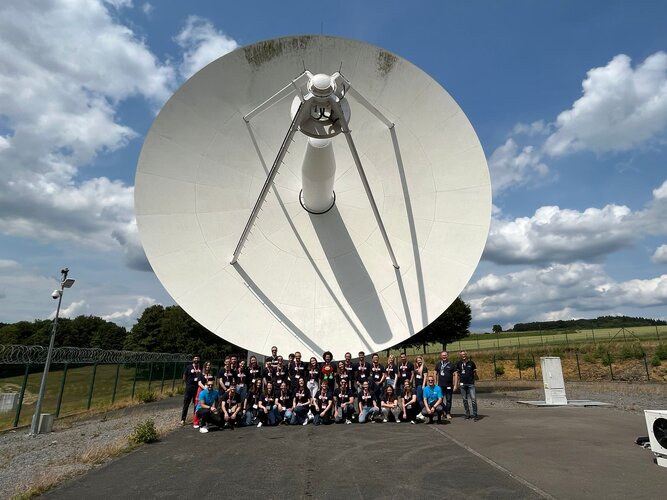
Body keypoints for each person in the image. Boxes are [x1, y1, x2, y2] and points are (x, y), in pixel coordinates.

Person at [455, 350, 478, 421]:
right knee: (464, 400)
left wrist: (474, 379)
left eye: (464, 354)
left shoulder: (471, 363)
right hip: (462, 384)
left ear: (466, 355)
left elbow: (475, 372)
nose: (463, 356)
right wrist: (457, 382)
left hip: (470, 384)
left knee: (473, 399)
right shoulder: (458, 363)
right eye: (462, 355)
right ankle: (467, 414)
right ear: (460, 356)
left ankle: (475, 415)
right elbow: (457, 373)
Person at [192, 360, 214, 429]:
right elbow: (199, 383)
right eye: (206, 365)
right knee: (198, 406)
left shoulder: (211, 374)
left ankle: (205, 421)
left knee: (207, 405)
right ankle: (196, 422)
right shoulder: (201, 374)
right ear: (204, 366)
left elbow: (212, 382)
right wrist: (205, 388)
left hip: (209, 391)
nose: (208, 367)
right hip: (201, 391)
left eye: (209, 365)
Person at [435, 351, 456, 420]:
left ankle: (448, 413)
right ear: (441, 356)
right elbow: (435, 374)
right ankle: (442, 412)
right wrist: (435, 384)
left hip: (449, 385)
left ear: (447, 356)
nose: (444, 356)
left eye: (445, 355)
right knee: (440, 400)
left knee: (448, 400)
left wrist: (455, 385)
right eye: (443, 355)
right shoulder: (438, 364)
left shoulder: (452, 364)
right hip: (440, 386)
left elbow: (455, 375)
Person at [181, 355, 201, 425]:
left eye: (197, 358)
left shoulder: (200, 368)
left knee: (196, 405)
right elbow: (184, 376)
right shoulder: (188, 367)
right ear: (193, 359)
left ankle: (195, 419)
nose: (196, 359)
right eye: (195, 358)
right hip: (189, 388)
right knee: (186, 404)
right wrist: (187, 384)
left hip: (197, 389)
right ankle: (183, 419)